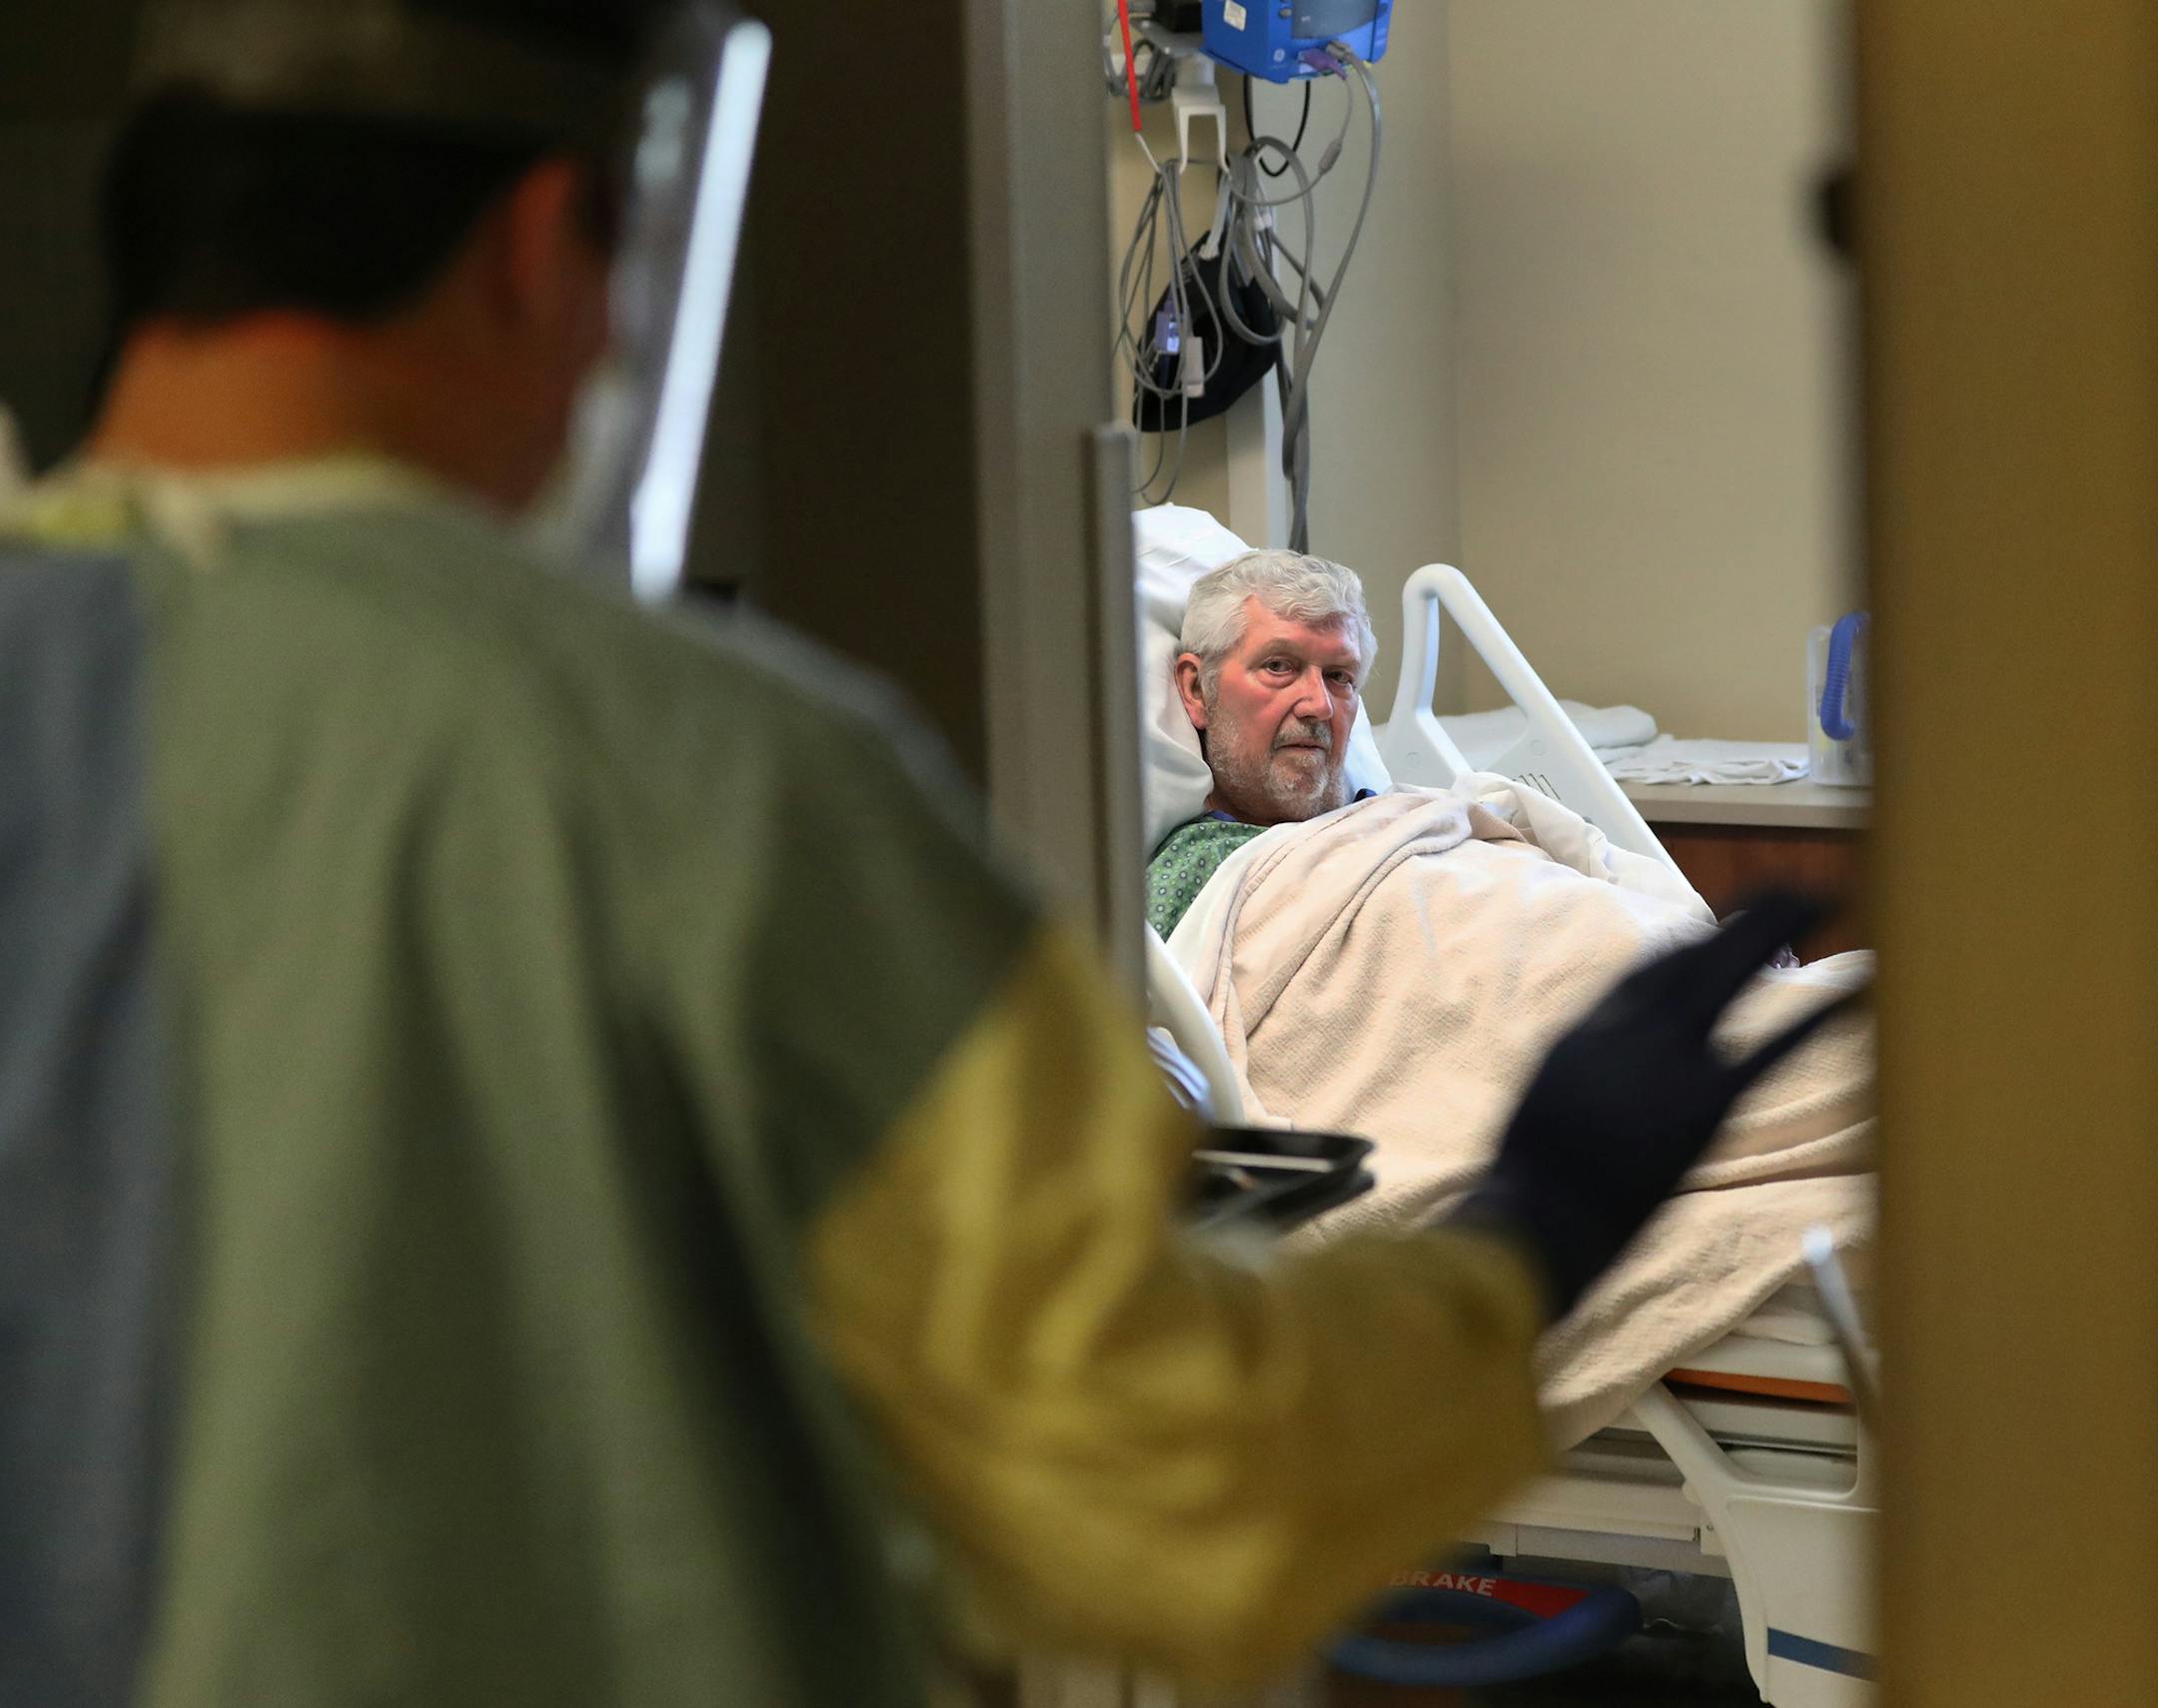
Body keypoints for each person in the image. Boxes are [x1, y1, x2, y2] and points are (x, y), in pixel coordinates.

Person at [0, 4, 1846, 1704]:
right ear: (544, 250)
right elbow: (1175, 1487)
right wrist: (1538, 1228)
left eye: (1331, 669)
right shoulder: (712, 783)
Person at [1151, 547, 1378, 939]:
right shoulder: (1198, 873)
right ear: (1197, 689)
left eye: (1339, 676)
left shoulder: (1404, 825)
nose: (1319, 705)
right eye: (1278, 667)